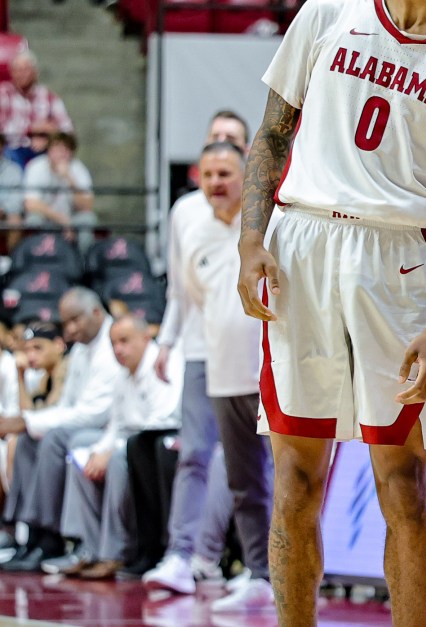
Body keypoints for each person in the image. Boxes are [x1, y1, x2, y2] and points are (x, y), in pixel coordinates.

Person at [236, 0, 426, 622]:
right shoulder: (325, 13)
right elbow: (273, 132)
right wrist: (251, 239)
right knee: (296, 480)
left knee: (403, 485)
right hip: (300, 244)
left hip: (396, 263)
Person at [156, 142, 273, 612]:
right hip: (223, 375)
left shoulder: (269, 220)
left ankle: (298, 577)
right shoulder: (192, 229)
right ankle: (259, 573)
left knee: (287, 478)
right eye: (207, 175)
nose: (215, 183)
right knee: (244, 483)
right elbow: (190, 299)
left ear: (245, 174)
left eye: (225, 173)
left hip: (271, 374)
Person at [141, 113, 252, 590]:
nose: (220, 152)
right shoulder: (185, 213)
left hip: (255, 356)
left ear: (249, 157)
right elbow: (180, 292)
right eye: (215, 141)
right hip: (201, 349)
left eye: (232, 143)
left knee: (247, 464)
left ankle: (225, 559)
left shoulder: (266, 207)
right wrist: (166, 341)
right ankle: (181, 555)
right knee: (195, 454)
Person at [50, 316, 182, 579]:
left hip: (159, 441)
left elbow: (165, 419)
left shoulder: (164, 364)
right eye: (113, 343)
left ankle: (117, 550)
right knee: (80, 455)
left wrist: (111, 451)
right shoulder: (123, 377)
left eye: (124, 341)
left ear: (146, 338)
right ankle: (87, 546)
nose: (118, 350)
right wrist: (99, 450)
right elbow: (115, 426)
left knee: (122, 456)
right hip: (131, 441)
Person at [0, 288, 121, 572]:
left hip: (105, 430)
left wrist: (29, 420)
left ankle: (51, 535)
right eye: (65, 323)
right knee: (29, 439)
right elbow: (68, 405)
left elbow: (92, 414)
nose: (69, 330)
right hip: (83, 426)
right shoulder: (80, 350)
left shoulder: (111, 346)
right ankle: (28, 533)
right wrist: (28, 422)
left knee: (52, 438)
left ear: (95, 312)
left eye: (74, 321)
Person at [21, 132, 96, 251]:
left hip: (72, 218)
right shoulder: (36, 166)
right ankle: (37, 259)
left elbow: (87, 206)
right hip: (46, 218)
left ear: (71, 153)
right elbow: (30, 204)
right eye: (56, 149)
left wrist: (70, 179)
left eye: (65, 150)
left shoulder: (78, 169)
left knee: (88, 219)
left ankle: (84, 264)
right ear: (48, 151)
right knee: (33, 220)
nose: (60, 155)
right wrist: (63, 220)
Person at [0, 52, 73, 152]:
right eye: (17, 70)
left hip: (42, 151)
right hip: (10, 150)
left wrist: (49, 139)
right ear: (12, 73)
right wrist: (31, 128)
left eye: (26, 69)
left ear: (35, 72)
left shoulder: (49, 97)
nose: (21, 74)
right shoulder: (4, 94)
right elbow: (2, 130)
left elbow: (68, 131)